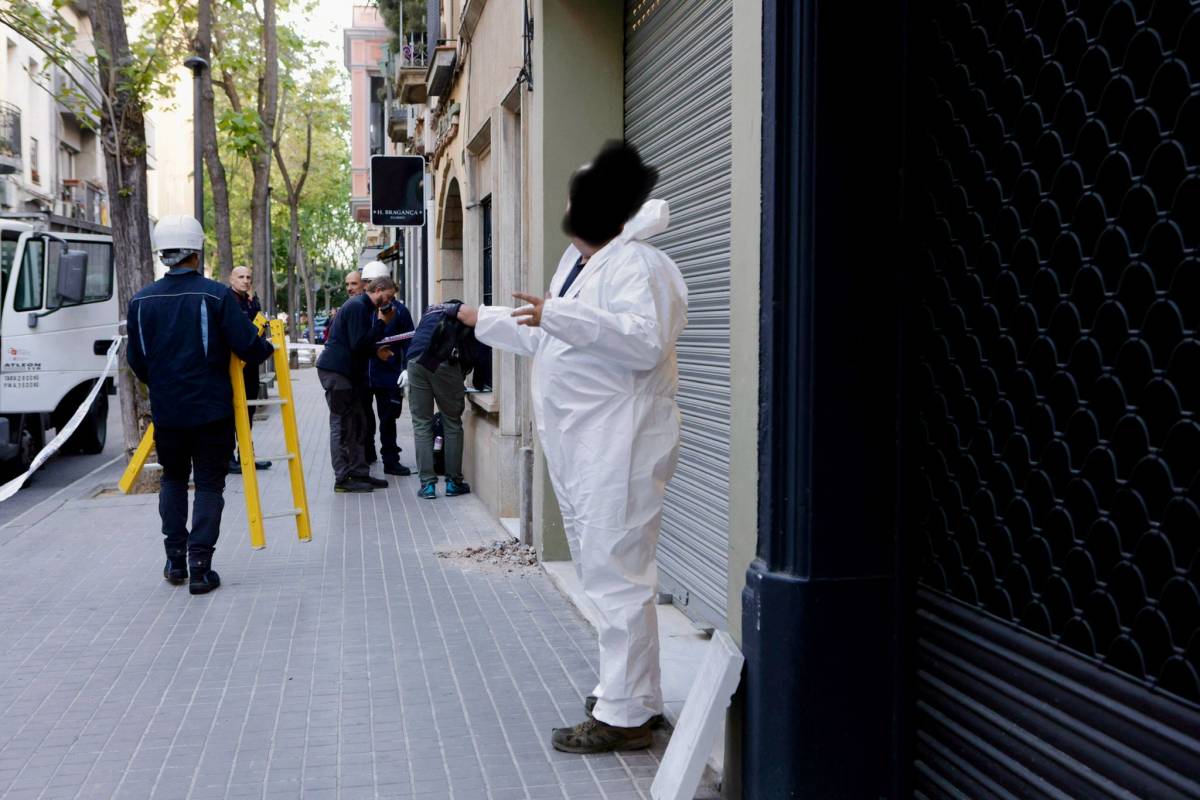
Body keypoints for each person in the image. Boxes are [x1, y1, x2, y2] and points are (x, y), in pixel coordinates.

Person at [456, 141, 687, 753]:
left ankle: (626, 715)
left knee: (617, 574)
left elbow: (642, 342)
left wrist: (557, 316)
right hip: (589, 443)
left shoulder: (639, 266)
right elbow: (547, 334)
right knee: (604, 569)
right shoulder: (582, 266)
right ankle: (631, 693)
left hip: (622, 440)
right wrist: (474, 317)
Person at [126, 216, 275, 595]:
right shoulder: (215, 295)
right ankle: (200, 566)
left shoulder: (141, 301)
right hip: (212, 411)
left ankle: (175, 560)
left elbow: (137, 361)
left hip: (168, 411)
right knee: (209, 484)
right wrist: (268, 345)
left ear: (163, 254)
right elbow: (248, 346)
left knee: (173, 479)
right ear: (196, 252)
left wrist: (162, 386)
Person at [315, 276, 398, 493]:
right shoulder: (358, 306)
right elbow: (358, 343)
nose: (389, 302)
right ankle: (342, 479)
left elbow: (361, 342)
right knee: (342, 425)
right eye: (388, 297)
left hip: (348, 373)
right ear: (378, 290)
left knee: (358, 423)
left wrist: (376, 350)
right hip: (337, 371)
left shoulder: (365, 307)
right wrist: (382, 323)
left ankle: (359, 472)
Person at [405, 300, 474, 500]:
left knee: (421, 424)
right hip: (441, 360)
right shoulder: (462, 315)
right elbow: (470, 353)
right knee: (451, 422)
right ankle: (453, 483)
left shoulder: (429, 312)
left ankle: (427, 485)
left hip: (414, 361)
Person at [362, 261, 414, 476]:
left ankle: (391, 460)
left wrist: (407, 368)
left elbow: (410, 341)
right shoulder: (362, 309)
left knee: (388, 419)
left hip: (389, 374)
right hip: (364, 374)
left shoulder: (400, 311)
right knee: (364, 419)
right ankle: (366, 455)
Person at [227, 265, 272, 473]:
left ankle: (246, 456)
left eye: (248, 277)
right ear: (231, 279)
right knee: (232, 414)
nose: (245, 280)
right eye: (241, 277)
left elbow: (258, 331)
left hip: (250, 366)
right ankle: (229, 459)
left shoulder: (250, 301)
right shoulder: (228, 301)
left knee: (248, 412)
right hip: (233, 367)